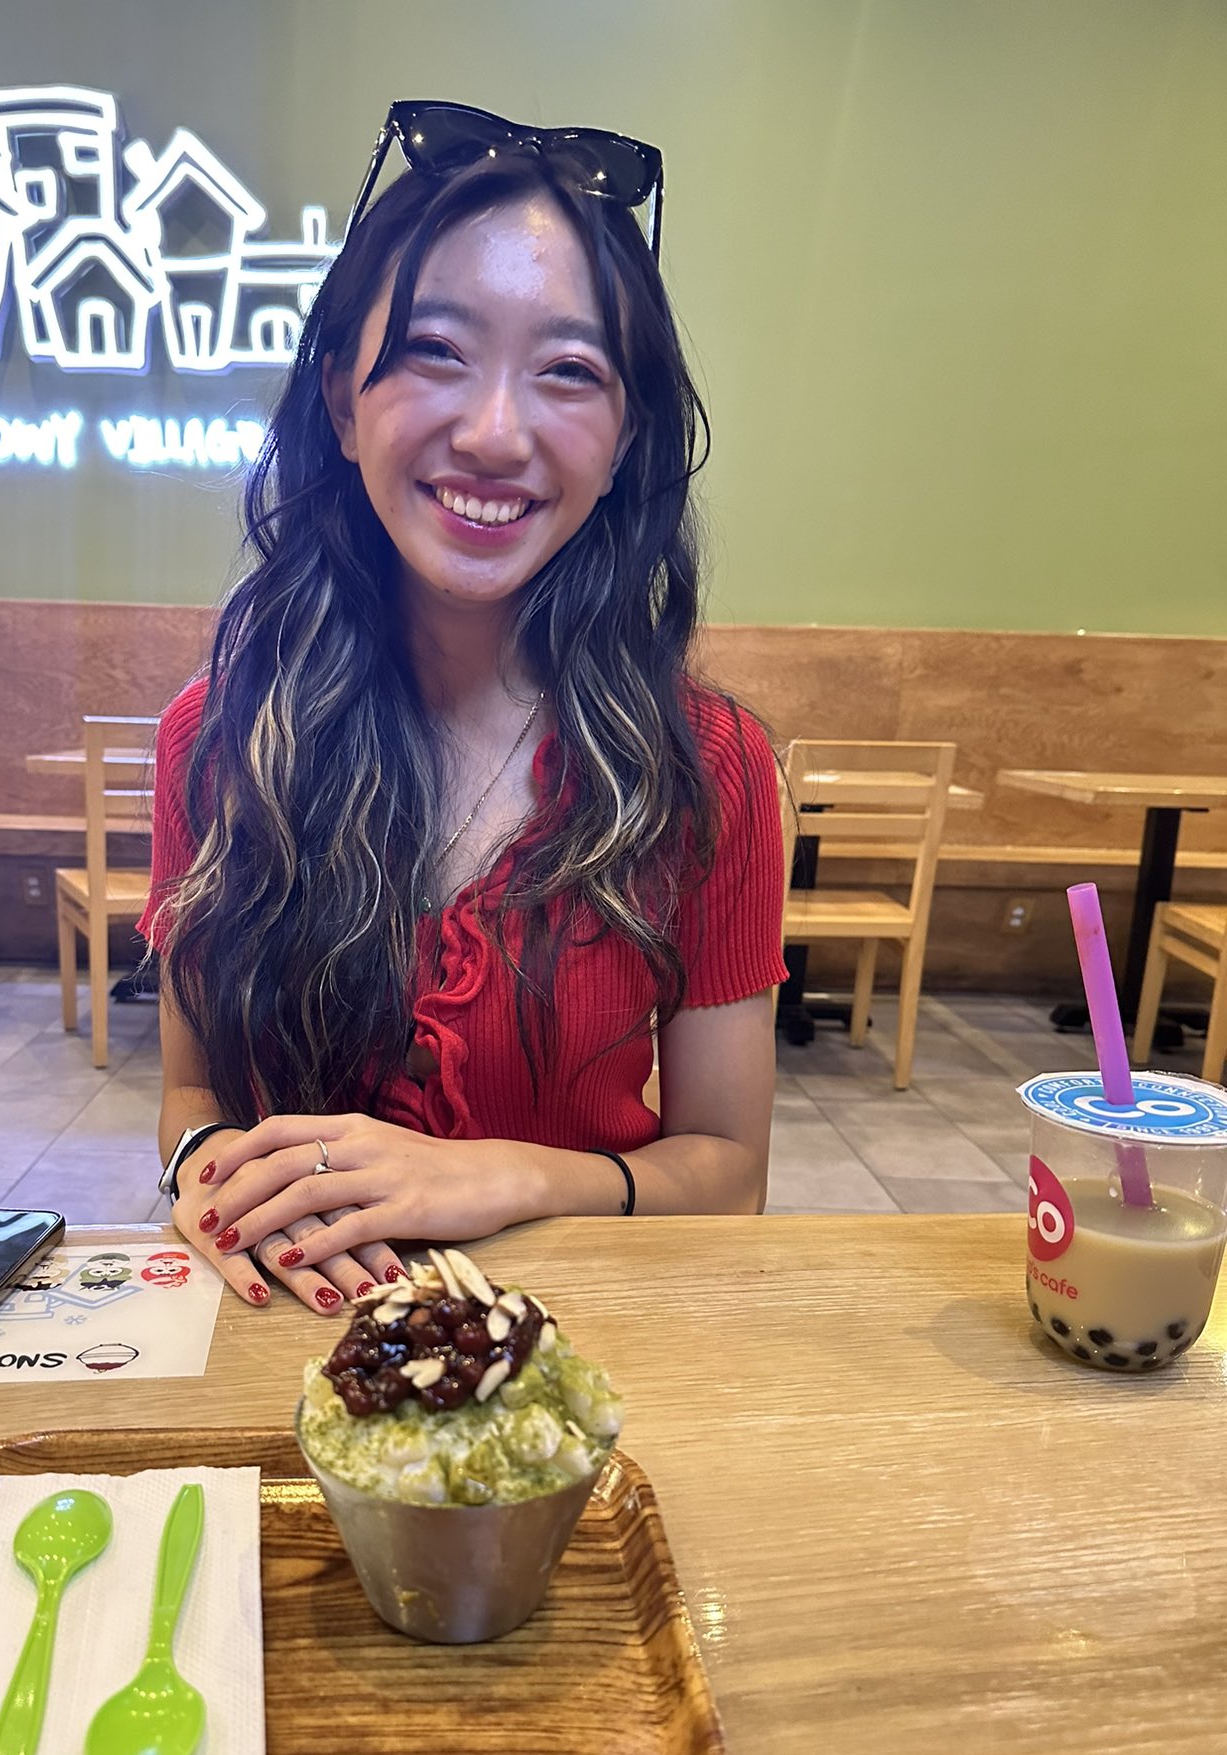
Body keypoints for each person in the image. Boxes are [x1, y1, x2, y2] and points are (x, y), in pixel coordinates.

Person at [143, 101, 788, 1317]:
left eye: (568, 372)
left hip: (577, 1367)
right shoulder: (219, 739)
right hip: (291, 1344)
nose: (495, 433)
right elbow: (192, 1098)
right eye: (437, 350)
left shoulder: (710, 766)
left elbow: (729, 1169)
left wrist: (492, 1176)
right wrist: (199, 1170)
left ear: (624, 436)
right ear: (341, 399)